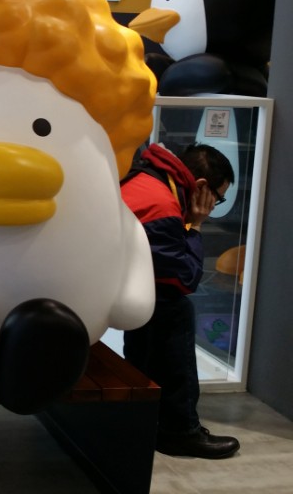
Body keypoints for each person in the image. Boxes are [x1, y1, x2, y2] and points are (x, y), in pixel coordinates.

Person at [121, 142, 240, 459]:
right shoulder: (162, 204)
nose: (214, 206)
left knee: (159, 306)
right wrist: (196, 226)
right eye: (217, 198)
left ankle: (149, 418)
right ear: (201, 186)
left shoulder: (147, 177)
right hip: (109, 286)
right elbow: (184, 279)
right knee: (175, 308)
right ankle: (179, 430)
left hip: (110, 281)